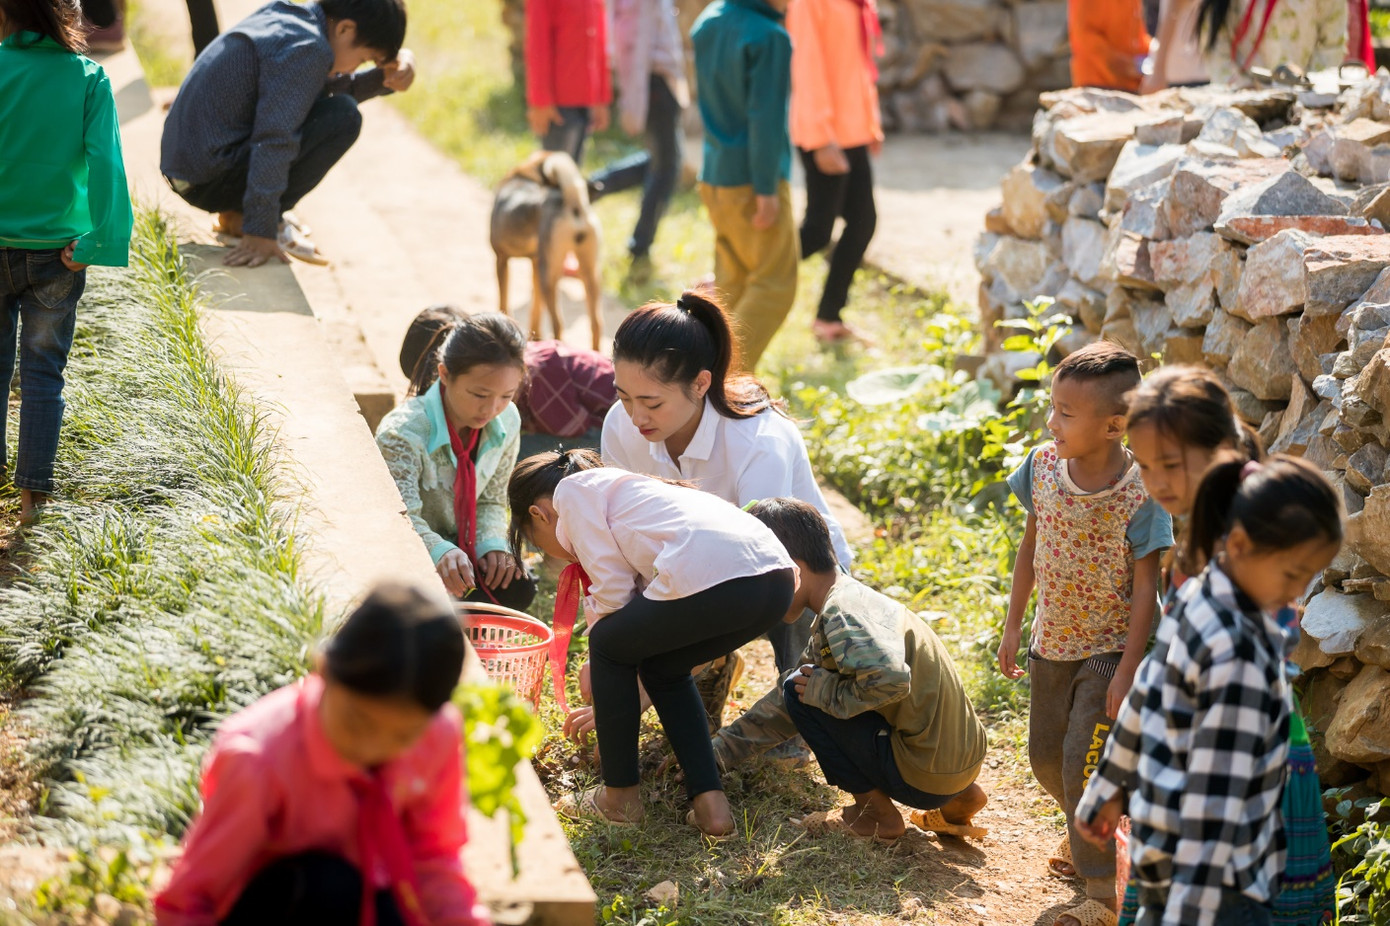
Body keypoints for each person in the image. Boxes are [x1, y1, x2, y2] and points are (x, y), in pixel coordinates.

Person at [1075, 456, 1344, 926]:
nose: (1298, 591)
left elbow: (1147, 695)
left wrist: (1109, 780)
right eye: (1291, 573)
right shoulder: (1242, 657)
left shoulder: (1197, 598)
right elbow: (1214, 795)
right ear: (1239, 544)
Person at [601, 291, 852, 758]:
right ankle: (708, 685)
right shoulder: (622, 425)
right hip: (694, 566)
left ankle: (794, 729)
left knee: (795, 618)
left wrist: (653, 676)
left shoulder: (758, 440)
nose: (635, 416)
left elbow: (766, 569)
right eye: (624, 396)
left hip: (784, 570)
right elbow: (624, 534)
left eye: (651, 403)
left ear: (700, 384)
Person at [155, 580, 490, 926]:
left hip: (372, 895)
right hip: (284, 906)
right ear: (324, 669)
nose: (373, 748)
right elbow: (187, 901)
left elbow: (434, 858)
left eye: (403, 736)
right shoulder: (258, 760)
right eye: (358, 723)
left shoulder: (437, 735)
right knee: (330, 885)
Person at [507, 450, 796, 836]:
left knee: (608, 643)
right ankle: (712, 808)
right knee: (665, 668)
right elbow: (643, 605)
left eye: (537, 542)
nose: (550, 552)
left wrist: (602, 660)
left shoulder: (571, 493)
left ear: (538, 514)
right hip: (773, 580)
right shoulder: (630, 494)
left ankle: (619, 799)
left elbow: (613, 594)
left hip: (724, 576)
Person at [997, 342, 1174, 926]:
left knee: (1081, 762)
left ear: (1114, 426)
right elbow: (1030, 548)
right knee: (1046, 760)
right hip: (1052, 642)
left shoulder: (1141, 494)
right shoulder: (1042, 467)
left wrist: (1127, 667)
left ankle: (1099, 893)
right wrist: (1013, 623)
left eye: (1067, 414)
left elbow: (1147, 589)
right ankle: (1095, 832)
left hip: (1106, 649)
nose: (1052, 422)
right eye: (1054, 408)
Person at [712, 498, 989, 843]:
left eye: (760, 576)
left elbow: (890, 679)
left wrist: (824, 692)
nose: (759, 592)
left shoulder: (842, 615)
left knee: (804, 690)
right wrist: (717, 753)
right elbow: (785, 705)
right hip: (960, 762)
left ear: (792, 570)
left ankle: (877, 816)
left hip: (924, 774)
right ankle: (961, 797)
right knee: (803, 687)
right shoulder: (853, 600)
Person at [0, 0, 132, 521]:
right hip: (57, 255)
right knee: (42, 374)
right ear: (70, 16)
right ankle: (34, 498)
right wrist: (100, 242)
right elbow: (107, 163)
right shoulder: (88, 78)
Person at [160, 0, 415, 269]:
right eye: (363, 60)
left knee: (333, 109)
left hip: (190, 171)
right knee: (344, 117)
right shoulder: (309, 49)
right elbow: (275, 140)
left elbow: (323, 91)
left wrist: (386, 78)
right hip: (206, 180)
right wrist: (261, 229)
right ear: (344, 29)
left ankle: (238, 214)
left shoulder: (293, 21)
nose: (355, 68)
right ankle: (248, 217)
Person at [376, 312, 536, 611]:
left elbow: (491, 500)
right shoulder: (402, 435)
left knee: (517, 587)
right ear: (445, 374)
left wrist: (492, 546)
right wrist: (438, 551)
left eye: (506, 395)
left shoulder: (508, 419)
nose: (491, 409)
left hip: (464, 550)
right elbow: (401, 519)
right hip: (418, 551)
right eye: (479, 394)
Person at [691, 0, 798, 371]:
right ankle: (720, 381)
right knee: (775, 284)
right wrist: (766, 189)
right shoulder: (770, 36)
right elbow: (765, 119)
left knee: (731, 283)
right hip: (753, 181)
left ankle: (696, 370)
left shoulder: (707, 22)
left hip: (715, 175)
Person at [1124, 365, 1262, 602]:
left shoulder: (1243, 552)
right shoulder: (1202, 535)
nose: (1156, 484)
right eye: (1144, 466)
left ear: (1223, 449)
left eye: (1170, 465)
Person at [787, 0, 882, 344]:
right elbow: (807, 66)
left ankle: (828, 318)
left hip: (851, 131)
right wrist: (821, 139)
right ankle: (733, 279)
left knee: (862, 221)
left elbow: (856, 62)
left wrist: (870, 122)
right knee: (816, 231)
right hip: (824, 134)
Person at [398, 305, 615, 442]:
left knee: (515, 453)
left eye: (504, 396)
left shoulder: (535, 375)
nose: (491, 408)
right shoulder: (498, 370)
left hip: (616, 433)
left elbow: (574, 428)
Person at [587, 0, 688, 277]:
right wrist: (635, 103)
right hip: (654, 83)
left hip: (661, 81)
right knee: (666, 167)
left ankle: (594, 186)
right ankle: (639, 246)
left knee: (663, 162)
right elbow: (636, 44)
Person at [525, 0, 611, 164]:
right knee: (555, 181)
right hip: (558, 105)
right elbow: (538, 43)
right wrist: (540, 101)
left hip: (586, 101)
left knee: (572, 175)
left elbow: (599, 41)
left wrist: (601, 97)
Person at [1068, 0, 1151, 92]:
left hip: (1130, 84)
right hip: (1097, 83)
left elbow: (1137, 35)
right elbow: (1084, 34)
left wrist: (1153, 58)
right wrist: (1123, 65)